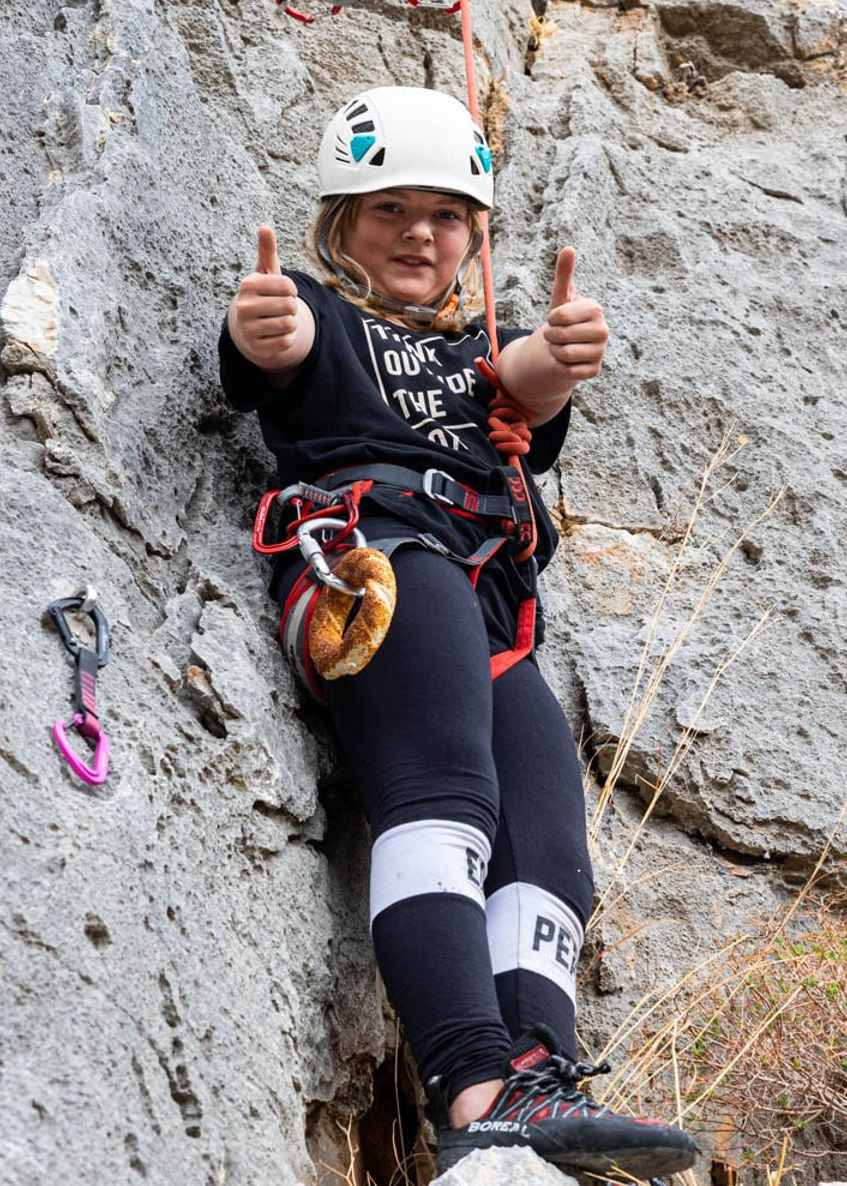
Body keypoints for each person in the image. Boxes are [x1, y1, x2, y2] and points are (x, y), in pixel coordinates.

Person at [219, 85, 697, 1177]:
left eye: (445, 217)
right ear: (342, 220)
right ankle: (473, 1080)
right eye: (390, 210)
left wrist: (557, 351)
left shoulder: (476, 352)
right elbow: (269, 348)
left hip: (485, 596)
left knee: (545, 831)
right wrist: (267, 326)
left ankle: (538, 1070)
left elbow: (518, 387)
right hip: (375, 554)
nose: (419, 236)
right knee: (444, 797)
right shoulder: (316, 309)